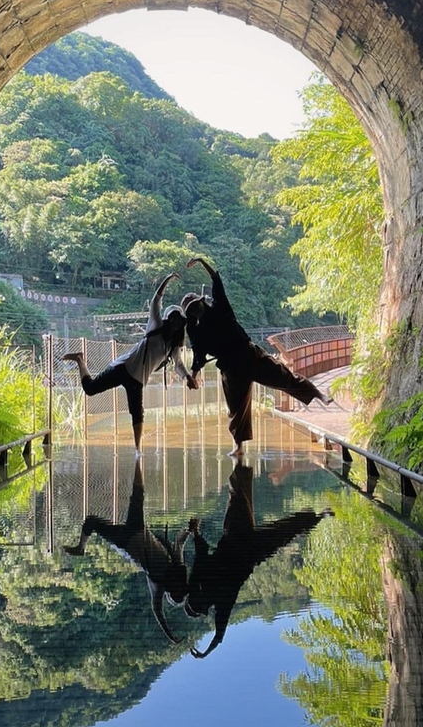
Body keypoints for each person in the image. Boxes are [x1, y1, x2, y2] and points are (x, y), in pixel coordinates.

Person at [181, 257, 331, 457]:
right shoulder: (196, 330)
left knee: (282, 376)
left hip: (248, 353)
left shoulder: (220, 308)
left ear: (201, 302)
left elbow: (216, 281)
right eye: (191, 309)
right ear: (190, 314)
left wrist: (201, 261)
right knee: (236, 407)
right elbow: (198, 354)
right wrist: (194, 375)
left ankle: (318, 394)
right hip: (230, 367)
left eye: (195, 305)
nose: (195, 309)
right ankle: (239, 446)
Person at [183, 459, 330, 658]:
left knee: (282, 528)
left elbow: (219, 635)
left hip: (247, 547)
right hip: (241, 540)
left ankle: (242, 457)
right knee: (242, 496)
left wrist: (205, 653)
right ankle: (241, 457)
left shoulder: (219, 600)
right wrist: (195, 533)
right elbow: (201, 554)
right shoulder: (212, 593)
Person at [63, 272, 196, 455]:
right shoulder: (156, 325)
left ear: (182, 323)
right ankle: (80, 360)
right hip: (123, 367)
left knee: (137, 413)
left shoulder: (173, 345)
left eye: (178, 319)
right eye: (172, 317)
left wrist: (188, 377)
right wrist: (167, 279)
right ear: (168, 318)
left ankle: (137, 449)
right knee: (90, 389)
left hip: (138, 379)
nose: (175, 321)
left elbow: (178, 364)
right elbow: (155, 302)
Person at [63, 457, 192, 643]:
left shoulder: (160, 583)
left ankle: (81, 548)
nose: (176, 588)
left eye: (177, 592)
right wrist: (190, 530)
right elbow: (180, 543)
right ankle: (138, 460)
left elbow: (159, 613)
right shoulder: (173, 572)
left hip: (128, 540)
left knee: (97, 518)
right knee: (132, 497)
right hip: (135, 532)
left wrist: (171, 636)